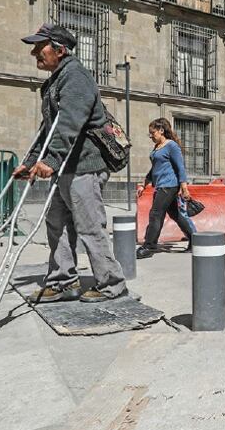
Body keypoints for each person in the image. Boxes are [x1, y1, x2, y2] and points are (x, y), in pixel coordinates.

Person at [14, 23, 127, 303]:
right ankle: (64, 280)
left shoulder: (75, 77)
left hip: (84, 167)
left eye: (40, 47)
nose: (34, 53)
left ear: (60, 50)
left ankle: (112, 283)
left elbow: (69, 123)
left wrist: (51, 159)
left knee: (90, 226)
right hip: (66, 166)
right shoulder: (55, 80)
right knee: (56, 223)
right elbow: (47, 129)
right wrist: (31, 162)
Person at [136, 118, 196, 258]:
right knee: (175, 214)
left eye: (152, 132)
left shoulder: (171, 146)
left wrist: (184, 188)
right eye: (149, 133)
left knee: (155, 214)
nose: (150, 136)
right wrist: (143, 184)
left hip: (169, 185)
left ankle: (149, 247)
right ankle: (194, 239)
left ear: (161, 131)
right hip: (161, 185)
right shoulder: (157, 147)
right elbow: (154, 170)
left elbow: (180, 168)